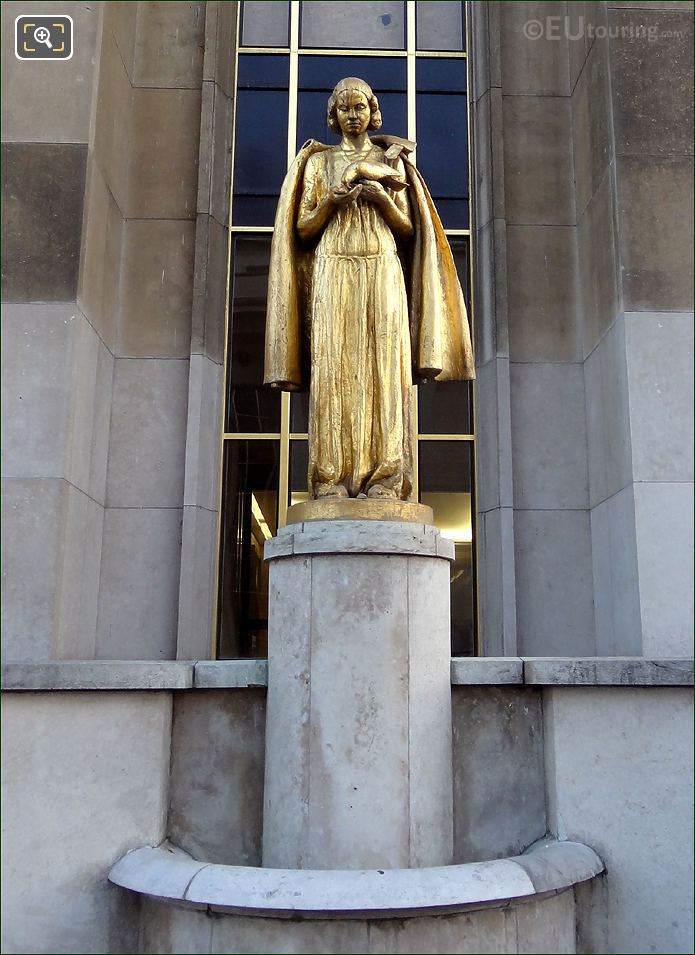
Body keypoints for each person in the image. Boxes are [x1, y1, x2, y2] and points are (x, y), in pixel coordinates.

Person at [264, 77, 474, 501]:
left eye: (360, 107)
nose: (353, 115)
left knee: (385, 368)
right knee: (333, 367)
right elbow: (301, 229)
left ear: (372, 111)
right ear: (334, 115)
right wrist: (331, 203)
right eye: (345, 109)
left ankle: (386, 477)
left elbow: (408, 229)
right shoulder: (317, 164)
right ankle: (330, 478)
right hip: (333, 266)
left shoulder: (390, 160)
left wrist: (380, 199)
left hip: (380, 267)